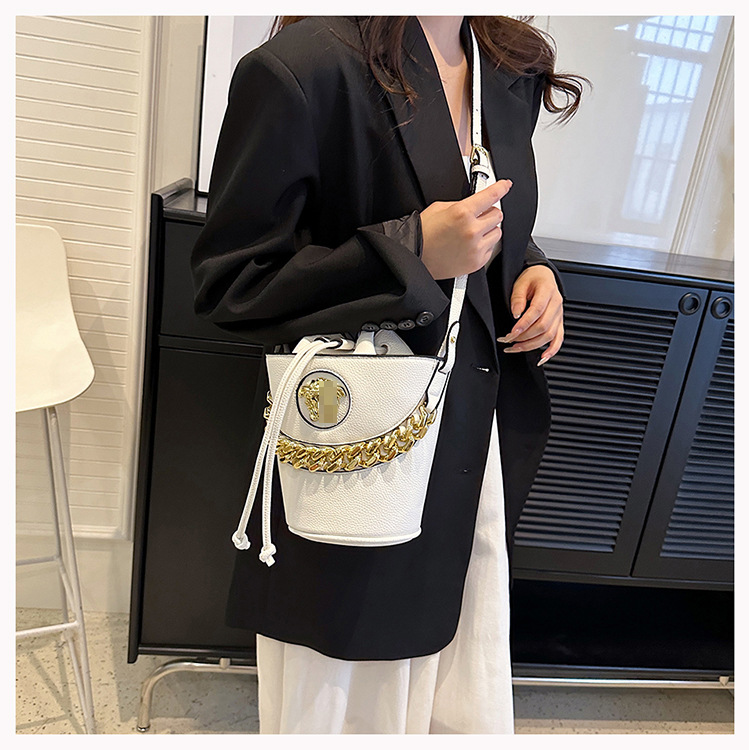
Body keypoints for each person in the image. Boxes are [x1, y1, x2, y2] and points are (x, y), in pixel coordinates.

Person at [191, 15, 587, 734]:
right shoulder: (302, 69)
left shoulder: (508, 65)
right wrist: (411, 251)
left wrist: (531, 269)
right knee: (347, 698)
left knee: (454, 687)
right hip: (361, 443)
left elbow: (490, 211)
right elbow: (233, 284)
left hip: (473, 439)